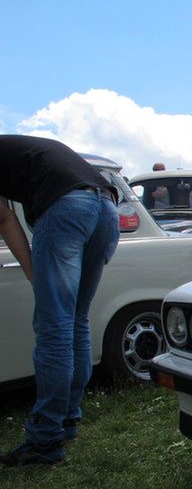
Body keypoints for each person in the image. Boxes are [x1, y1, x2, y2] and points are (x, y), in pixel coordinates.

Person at [0, 135, 120, 466]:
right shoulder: (15, 148)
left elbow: (5, 219)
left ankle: (44, 441)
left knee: (55, 326)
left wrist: (32, 271)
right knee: (75, 319)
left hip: (66, 208)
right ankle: (66, 420)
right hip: (106, 208)